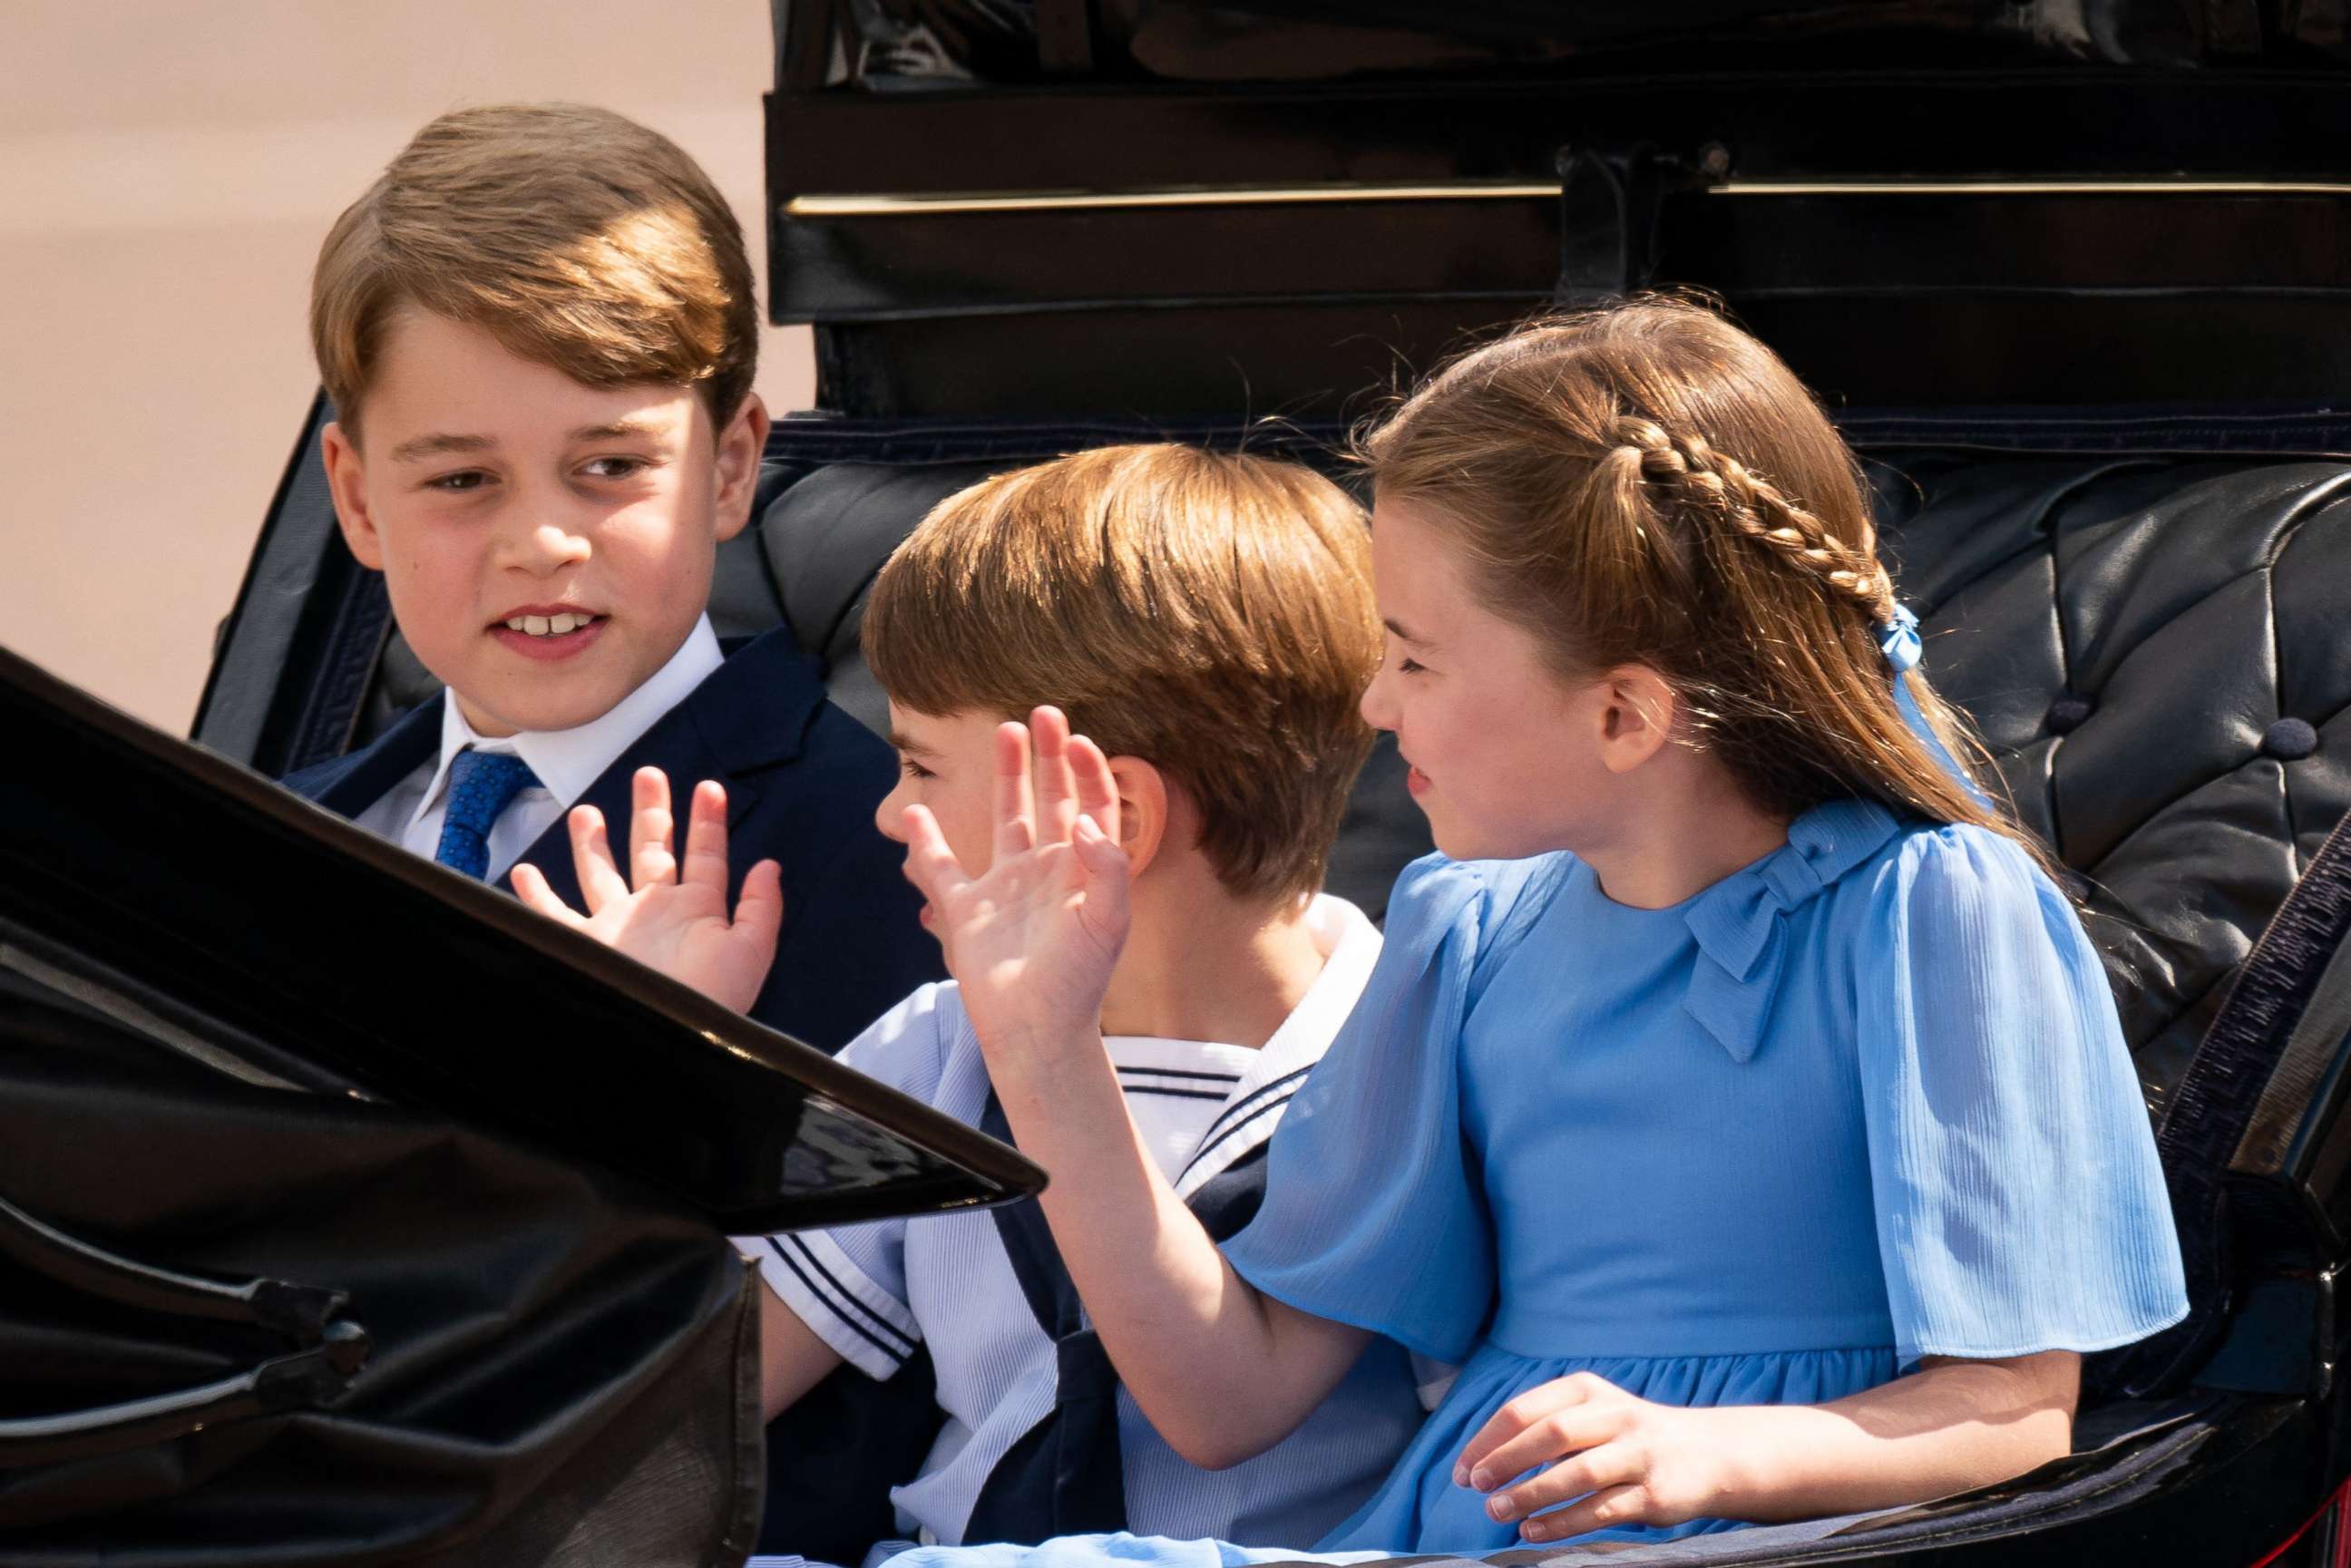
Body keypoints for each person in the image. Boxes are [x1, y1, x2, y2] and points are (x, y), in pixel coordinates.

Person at [865, 299, 2191, 1560]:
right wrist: (1044, 1048)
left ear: (1623, 713)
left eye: (1416, 656)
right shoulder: (1466, 932)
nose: (1375, 705)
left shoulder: (1934, 909)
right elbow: (1228, 1398)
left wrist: (1708, 1457)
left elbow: (2015, 1415)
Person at [521, 445, 1430, 1554]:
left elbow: (1219, 1413)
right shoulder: (933, 1050)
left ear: (1113, 819)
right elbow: (674, 1392)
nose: (891, 812)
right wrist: (657, 1074)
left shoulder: (1402, 1052)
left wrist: (1042, 1048)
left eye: (923, 768)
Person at [278, 102, 938, 1052]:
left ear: (730, 467)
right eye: (462, 479)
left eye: (611, 466)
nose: (542, 543)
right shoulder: (272, 837)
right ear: (360, 499)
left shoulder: (888, 859)